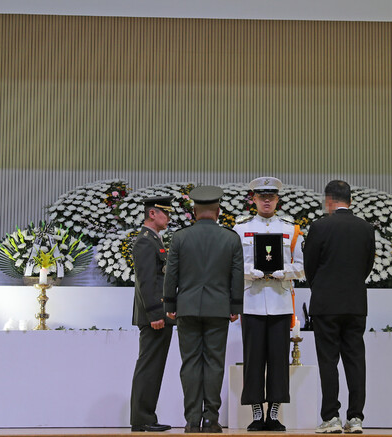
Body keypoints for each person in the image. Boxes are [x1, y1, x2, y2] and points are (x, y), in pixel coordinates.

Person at [163, 185, 244, 434]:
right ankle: (211, 419)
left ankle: (191, 420)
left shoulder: (180, 237)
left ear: (194, 211)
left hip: (187, 308)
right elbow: (236, 275)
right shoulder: (231, 238)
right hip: (218, 309)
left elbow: (171, 274)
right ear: (218, 211)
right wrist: (235, 306)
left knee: (190, 364)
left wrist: (170, 303)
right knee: (214, 364)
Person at [233, 177, 305, 431]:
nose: (266, 200)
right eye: (261, 196)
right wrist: (247, 272)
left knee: (278, 360)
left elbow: (302, 267)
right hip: (251, 300)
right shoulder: (239, 229)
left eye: (271, 196)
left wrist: (283, 272)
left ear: (277, 199)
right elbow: (231, 265)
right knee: (253, 360)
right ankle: (256, 413)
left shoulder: (291, 229)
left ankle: (274, 413)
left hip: (280, 301)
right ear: (253, 199)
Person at [303, 180, 375, 434]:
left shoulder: (320, 227)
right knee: (356, 360)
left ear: (329, 200)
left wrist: (320, 287)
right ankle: (355, 418)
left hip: (326, 303)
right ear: (350, 200)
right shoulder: (366, 228)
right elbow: (368, 265)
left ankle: (331, 417)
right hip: (355, 303)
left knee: (328, 361)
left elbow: (309, 265)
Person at [130, 197, 175, 432]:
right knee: (149, 367)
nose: (168, 218)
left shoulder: (154, 240)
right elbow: (146, 282)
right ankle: (142, 418)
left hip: (158, 315)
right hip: (155, 317)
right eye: (165, 213)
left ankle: (147, 416)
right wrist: (156, 313)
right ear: (152, 214)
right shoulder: (145, 242)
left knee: (153, 367)